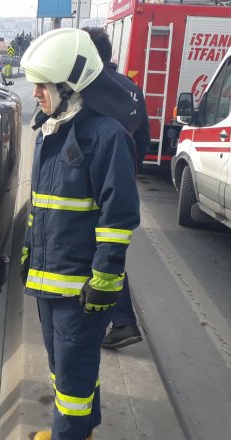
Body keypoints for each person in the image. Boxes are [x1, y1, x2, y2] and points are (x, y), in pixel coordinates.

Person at [19, 28, 140, 440]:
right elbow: (42, 207)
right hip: (50, 282)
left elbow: (118, 217)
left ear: (69, 86)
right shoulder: (51, 131)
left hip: (79, 288)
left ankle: (66, 434)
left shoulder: (105, 136)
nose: (35, 93)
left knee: (72, 377)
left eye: (42, 85)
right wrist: (27, 254)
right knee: (65, 369)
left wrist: (105, 280)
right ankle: (82, 431)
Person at [85, 26, 151, 349]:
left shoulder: (91, 88)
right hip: (121, 182)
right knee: (109, 250)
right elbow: (144, 139)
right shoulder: (131, 89)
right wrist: (128, 173)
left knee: (100, 253)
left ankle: (121, 321)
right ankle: (122, 321)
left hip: (92, 185)